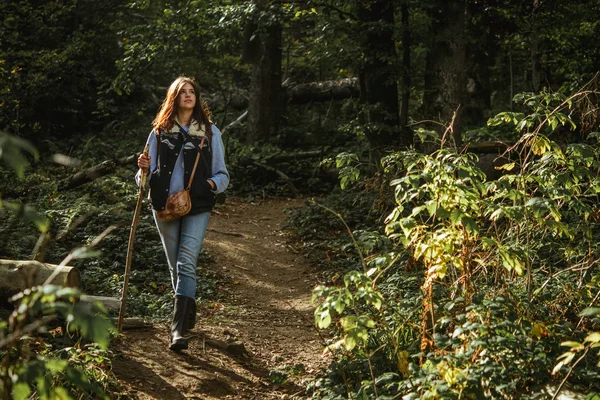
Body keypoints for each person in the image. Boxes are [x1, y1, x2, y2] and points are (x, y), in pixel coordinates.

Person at [136, 76, 229, 351]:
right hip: (163, 206)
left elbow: (222, 175)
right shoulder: (159, 132)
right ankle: (186, 312)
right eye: (182, 92)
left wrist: (207, 185)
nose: (188, 95)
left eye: (192, 92)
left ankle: (177, 330)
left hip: (197, 205)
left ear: (197, 98)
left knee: (186, 262)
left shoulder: (211, 132)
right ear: (174, 98)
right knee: (175, 263)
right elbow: (144, 178)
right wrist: (142, 170)